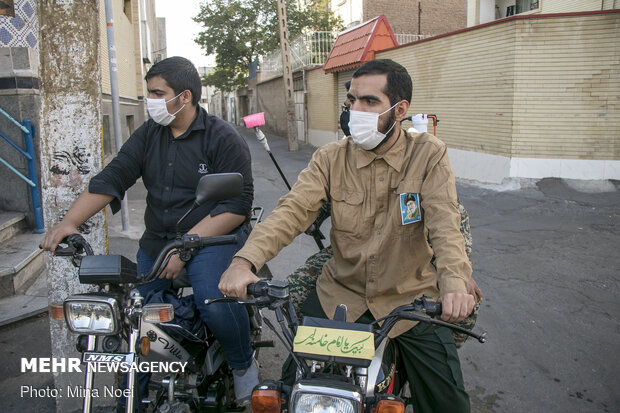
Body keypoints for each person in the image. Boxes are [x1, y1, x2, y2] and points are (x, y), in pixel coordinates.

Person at [219, 58, 477, 412]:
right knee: (298, 389)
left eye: (370, 102)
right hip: (341, 295)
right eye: (352, 100)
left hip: (411, 298)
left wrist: (454, 286)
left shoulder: (428, 155)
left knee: (448, 401)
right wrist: (243, 262)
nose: (356, 110)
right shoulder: (330, 157)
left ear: (399, 110)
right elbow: (292, 211)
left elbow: (445, 224)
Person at [40, 56, 259, 406]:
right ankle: (134, 396)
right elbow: (114, 175)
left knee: (213, 301)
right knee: (130, 314)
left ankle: (242, 364)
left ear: (184, 96)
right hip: (158, 241)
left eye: (158, 94)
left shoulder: (222, 137)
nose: (150, 102)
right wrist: (69, 222)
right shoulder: (148, 134)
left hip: (212, 238)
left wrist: (186, 246)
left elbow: (236, 205)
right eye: (148, 94)